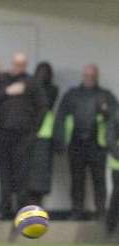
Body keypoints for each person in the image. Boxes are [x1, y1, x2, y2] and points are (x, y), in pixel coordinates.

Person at [0, 53, 47, 219]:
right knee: (4, 173)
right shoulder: (2, 80)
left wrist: (35, 131)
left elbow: (42, 107)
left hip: (24, 136)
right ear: (12, 64)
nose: (18, 67)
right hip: (3, 134)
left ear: (25, 65)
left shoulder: (32, 82)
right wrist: (7, 91)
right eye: (15, 64)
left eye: (21, 64)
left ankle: (22, 212)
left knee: (22, 175)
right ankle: (4, 210)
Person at [54, 64, 118, 220]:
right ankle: (77, 211)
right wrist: (59, 141)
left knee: (99, 180)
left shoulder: (106, 95)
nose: (89, 78)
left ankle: (101, 212)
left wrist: (105, 112)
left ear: (97, 77)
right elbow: (60, 118)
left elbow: (115, 119)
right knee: (77, 180)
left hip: (98, 145)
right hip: (76, 144)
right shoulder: (72, 95)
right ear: (83, 76)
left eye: (92, 76)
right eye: (87, 76)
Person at [27, 62, 59, 206]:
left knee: (40, 173)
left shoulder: (52, 89)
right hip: (28, 133)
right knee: (28, 171)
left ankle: (37, 202)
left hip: (44, 134)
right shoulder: (30, 87)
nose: (42, 75)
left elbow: (46, 103)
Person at [106, 108, 119, 233]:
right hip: (118, 165)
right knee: (116, 197)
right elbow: (110, 139)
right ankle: (111, 228)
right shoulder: (116, 116)